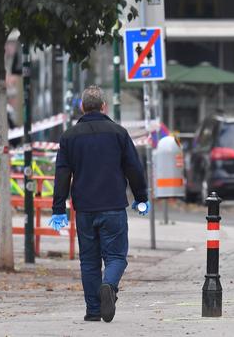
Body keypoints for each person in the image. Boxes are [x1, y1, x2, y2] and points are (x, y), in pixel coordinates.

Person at [50, 86, 150, 322]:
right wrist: (141, 198)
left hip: (84, 208)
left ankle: (94, 310)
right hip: (113, 206)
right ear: (104, 106)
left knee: (89, 260)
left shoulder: (69, 137)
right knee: (116, 257)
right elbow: (133, 168)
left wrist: (58, 209)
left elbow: (62, 174)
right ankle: (109, 285)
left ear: (82, 107)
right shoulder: (118, 133)